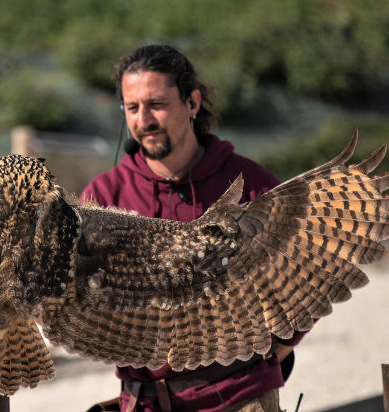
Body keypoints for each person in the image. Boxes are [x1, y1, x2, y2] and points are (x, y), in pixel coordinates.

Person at [81, 45, 304, 412]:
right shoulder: (103, 197)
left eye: (156, 104)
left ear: (192, 102)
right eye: (132, 108)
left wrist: (261, 359)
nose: (144, 120)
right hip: (144, 402)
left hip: (240, 399)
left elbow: (304, 286)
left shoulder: (250, 185)